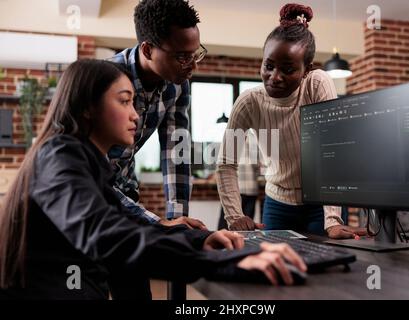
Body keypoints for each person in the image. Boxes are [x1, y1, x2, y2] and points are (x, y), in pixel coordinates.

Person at [0, 60, 307, 300]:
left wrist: (200, 239)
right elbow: (106, 234)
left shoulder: (85, 162)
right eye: (123, 101)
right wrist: (227, 262)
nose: (136, 115)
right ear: (87, 108)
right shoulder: (60, 157)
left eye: (134, 102)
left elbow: (124, 224)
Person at [216, 3, 367, 239]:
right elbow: (226, 164)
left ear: (306, 70)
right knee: (278, 266)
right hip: (278, 203)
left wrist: (333, 221)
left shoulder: (316, 84)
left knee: (326, 265)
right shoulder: (248, 103)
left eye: (287, 69)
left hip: (321, 202)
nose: (274, 77)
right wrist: (234, 215)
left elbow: (333, 153)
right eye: (268, 66)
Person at [107, 0, 207, 229]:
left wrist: (177, 221)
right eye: (182, 56)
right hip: (92, 195)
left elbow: (176, 150)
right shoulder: (106, 80)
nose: (192, 66)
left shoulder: (178, 84)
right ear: (147, 50)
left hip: (126, 192)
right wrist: (159, 223)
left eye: (195, 54)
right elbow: (94, 174)